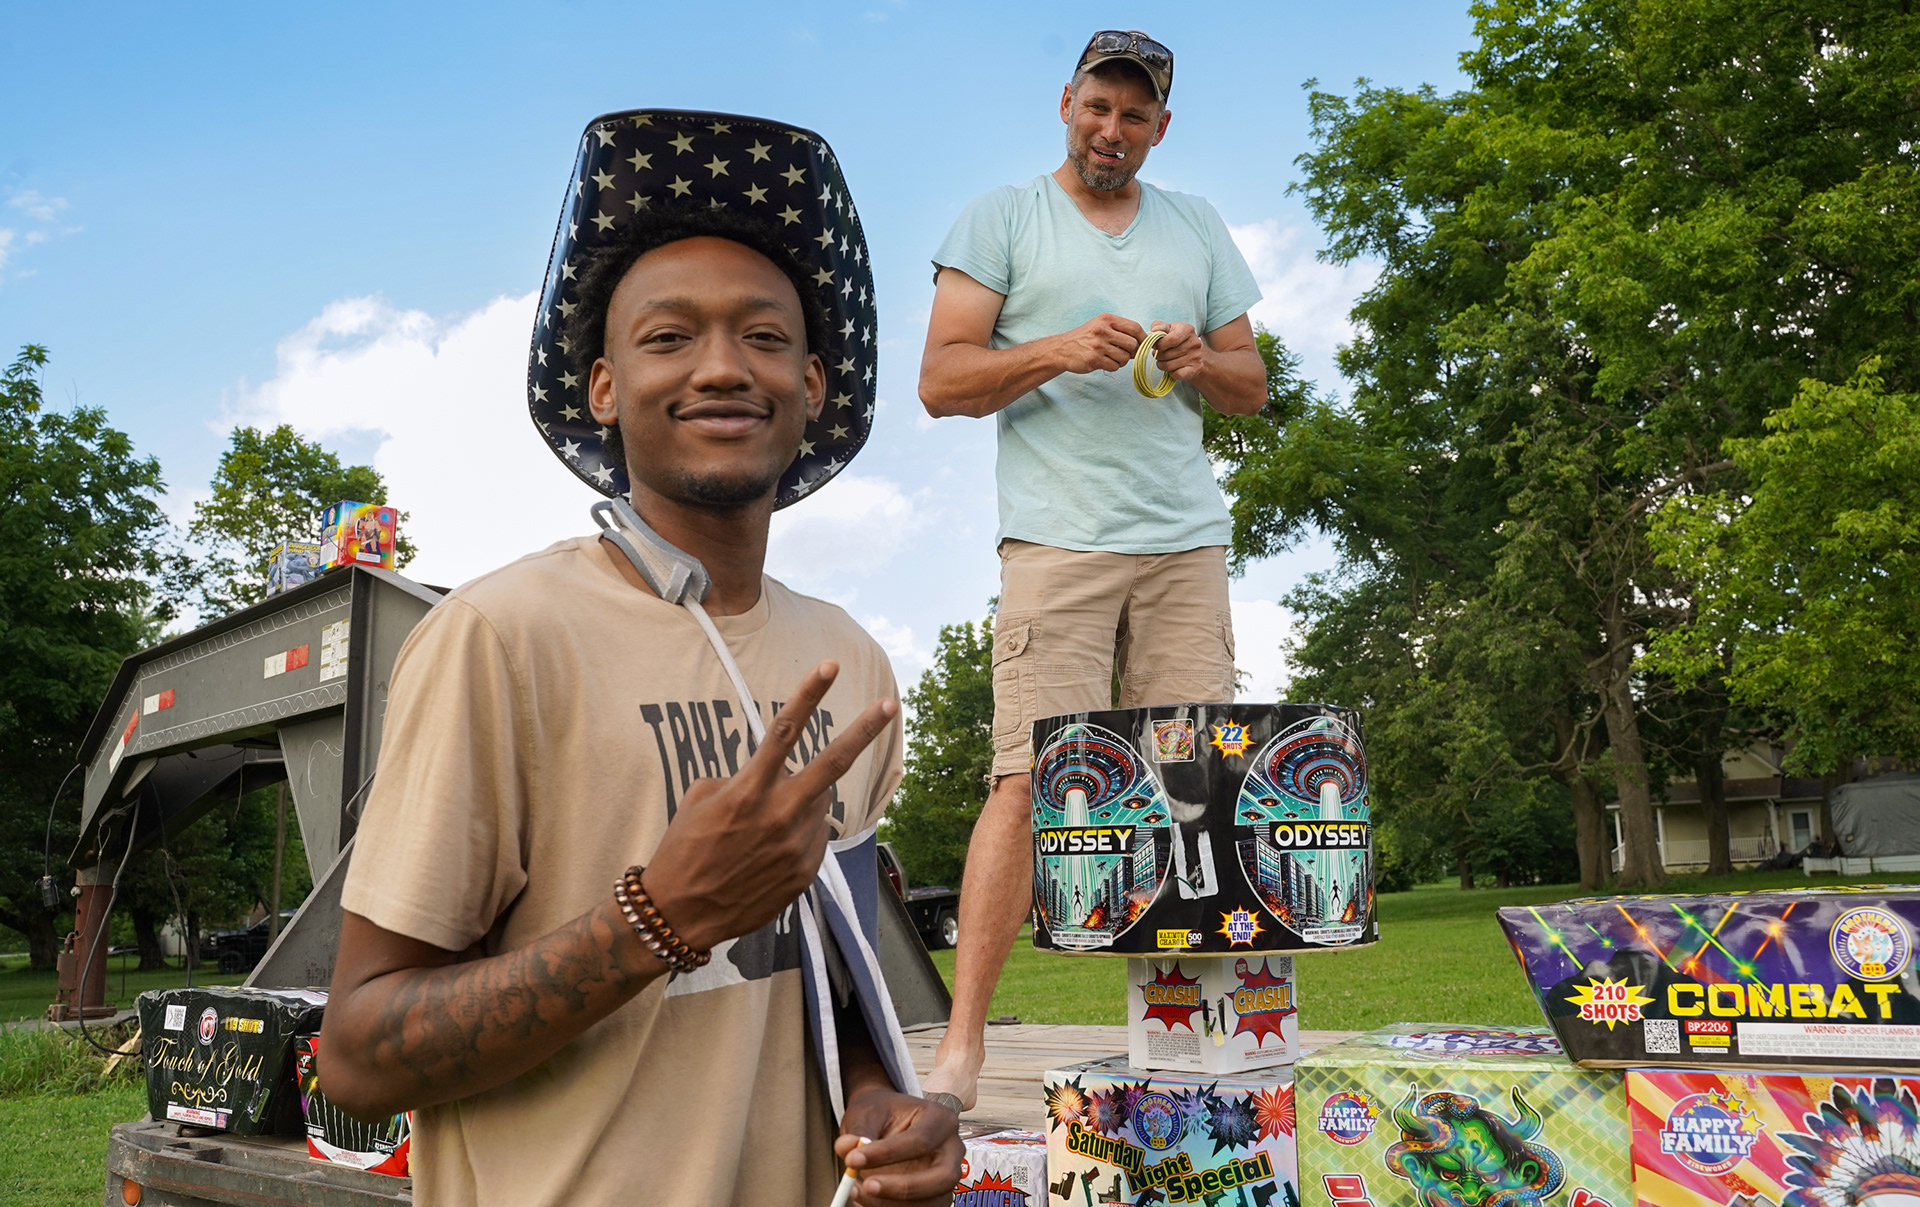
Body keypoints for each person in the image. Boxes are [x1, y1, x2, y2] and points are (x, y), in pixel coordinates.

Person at [319, 110, 961, 1207]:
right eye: (669, 337)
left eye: (762, 338)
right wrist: (652, 919)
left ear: (812, 385)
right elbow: (360, 1056)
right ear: (605, 388)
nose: (721, 367)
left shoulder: (850, 662)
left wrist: (880, 1097)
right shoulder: (500, 637)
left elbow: (824, 978)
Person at [917, 31, 1271, 1107]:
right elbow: (942, 379)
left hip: (1184, 543)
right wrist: (1058, 349)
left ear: (1161, 127)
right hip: (1056, 544)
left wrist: (1207, 361)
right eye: (1097, 108)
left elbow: (1253, 382)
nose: (1111, 130)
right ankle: (964, 1047)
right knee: (1027, 783)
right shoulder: (1003, 218)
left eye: (1134, 115)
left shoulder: (1197, 225)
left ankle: (1198, 1034)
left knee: (1196, 784)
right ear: (1065, 102)